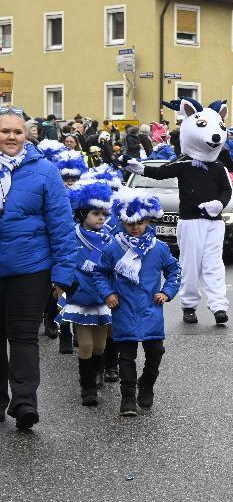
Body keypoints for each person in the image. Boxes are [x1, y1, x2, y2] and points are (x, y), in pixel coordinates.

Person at [124, 99, 233, 326]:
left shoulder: (218, 167)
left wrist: (219, 205)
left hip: (214, 222)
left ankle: (219, 305)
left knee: (214, 264)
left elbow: (226, 191)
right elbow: (162, 172)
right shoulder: (184, 163)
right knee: (190, 264)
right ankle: (189, 305)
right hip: (191, 221)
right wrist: (141, 168)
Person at [0, 107, 76, 429]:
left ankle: (25, 403)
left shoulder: (45, 171)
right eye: (5, 131)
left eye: (17, 131)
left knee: (23, 336)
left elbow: (61, 225)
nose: (11, 137)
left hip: (30, 269)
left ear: (26, 135)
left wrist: (62, 273)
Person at [92, 188, 181, 416]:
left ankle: (148, 383)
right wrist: (108, 294)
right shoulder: (114, 248)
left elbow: (174, 270)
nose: (135, 227)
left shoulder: (159, 248)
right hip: (124, 310)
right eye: (130, 223)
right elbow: (100, 273)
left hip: (151, 311)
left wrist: (167, 292)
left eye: (140, 223)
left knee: (156, 353)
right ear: (122, 222)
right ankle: (128, 396)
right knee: (126, 357)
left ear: (148, 221)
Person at [63, 181, 115, 406]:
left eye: (104, 214)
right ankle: (88, 387)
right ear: (83, 213)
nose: (101, 218)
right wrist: (63, 285)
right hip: (80, 297)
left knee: (100, 346)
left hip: (102, 298)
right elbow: (64, 261)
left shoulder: (110, 239)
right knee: (84, 345)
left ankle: (98, 371)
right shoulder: (71, 236)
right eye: (95, 213)